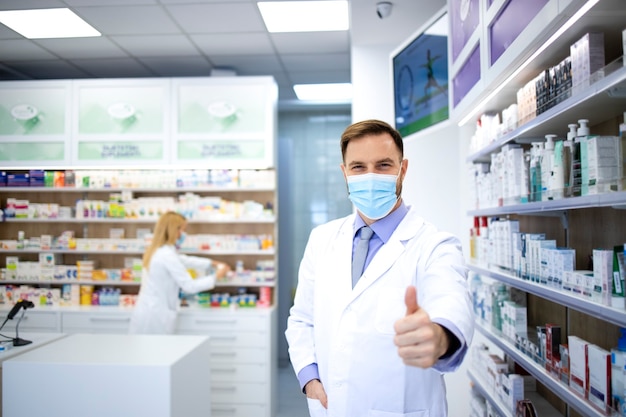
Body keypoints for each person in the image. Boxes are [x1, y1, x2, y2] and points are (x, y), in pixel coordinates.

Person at [285, 119, 474, 416]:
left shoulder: (435, 246)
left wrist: (438, 337)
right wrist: (308, 376)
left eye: (384, 165)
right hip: (329, 407)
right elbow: (302, 319)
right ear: (344, 172)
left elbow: (451, 301)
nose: (370, 176)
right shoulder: (322, 239)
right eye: (358, 167)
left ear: (403, 169)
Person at [129, 211, 231, 334]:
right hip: (154, 317)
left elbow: (184, 260)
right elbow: (189, 286)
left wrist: (211, 263)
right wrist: (216, 277)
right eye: (182, 230)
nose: (183, 234)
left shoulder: (159, 250)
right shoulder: (166, 255)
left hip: (149, 311)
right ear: (173, 230)